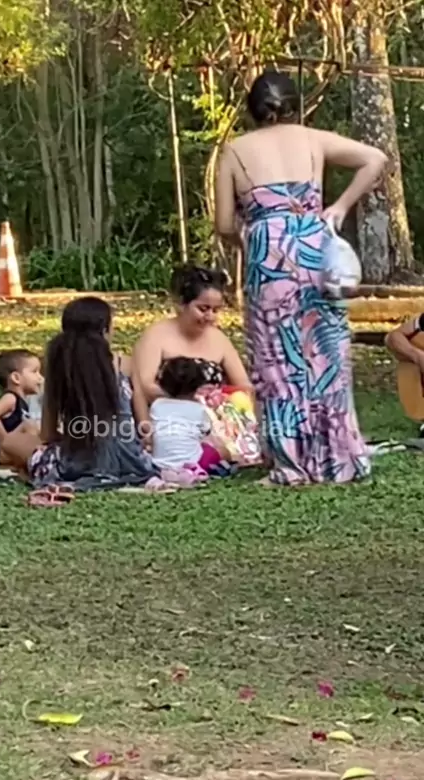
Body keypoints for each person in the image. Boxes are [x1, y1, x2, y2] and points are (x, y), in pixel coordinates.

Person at [214, 69, 388, 486]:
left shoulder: (234, 151)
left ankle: (290, 464)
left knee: (276, 357)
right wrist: (340, 207)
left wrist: (251, 240)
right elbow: (376, 159)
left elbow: (223, 223)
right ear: (296, 105)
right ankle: (337, 458)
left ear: (253, 110)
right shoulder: (313, 139)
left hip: (267, 252)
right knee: (325, 353)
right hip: (314, 247)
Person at [1, 297, 158, 489]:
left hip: (75, 465)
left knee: (11, 441)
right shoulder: (124, 363)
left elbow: (48, 434)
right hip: (132, 462)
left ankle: (30, 468)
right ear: (105, 330)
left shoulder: (61, 366)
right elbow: (144, 426)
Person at [131, 264, 252, 435]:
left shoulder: (220, 339)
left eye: (216, 310)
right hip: (167, 426)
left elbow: (243, 386)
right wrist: (189, 402)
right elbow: (144, 386)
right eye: (203, 309)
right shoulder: (155, 335)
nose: (210, 316)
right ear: (182, 304)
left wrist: (222, 405)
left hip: (215, 428)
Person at [150, 356, 223, 474]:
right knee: (217, 447)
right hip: (194, 463)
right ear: (197, 387)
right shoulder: (198, 409)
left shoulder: (157, 405)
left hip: (159, 464)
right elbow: (207, 431)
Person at [0, 349, 43, 466]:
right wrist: (5, 440)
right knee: (30, 426)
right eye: (34, 372)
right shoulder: (10, 398)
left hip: (10, 452)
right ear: (16, 378)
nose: (40, 378)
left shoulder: (23, 402)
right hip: (0, 455)